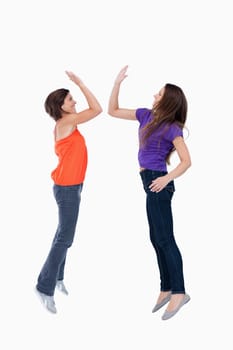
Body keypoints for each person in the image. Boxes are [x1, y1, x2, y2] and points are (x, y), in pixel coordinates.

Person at [108, 65, 191, 320]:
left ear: (167, 100)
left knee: (165, 238)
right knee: (156, 238)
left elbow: (186, 161)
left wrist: (166, 179)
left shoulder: (172, 128)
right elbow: (112, 111)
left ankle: (179, 291)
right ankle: (166, 287)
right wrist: (117, 83)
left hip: (157, 182)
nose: (154, 96)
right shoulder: (145, 116)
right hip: (148, 181)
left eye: (159, 94)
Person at [35, 71, 102, 313]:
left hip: (71, 187)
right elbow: (97, 109)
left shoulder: (67, 123)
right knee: (64, 237)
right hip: (67, 188)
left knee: (64, 236)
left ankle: (58, 277)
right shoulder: (66, 123)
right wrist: (82, 83)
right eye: (71, 100)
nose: (75, 102)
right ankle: (44, 287)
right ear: (61, 107)